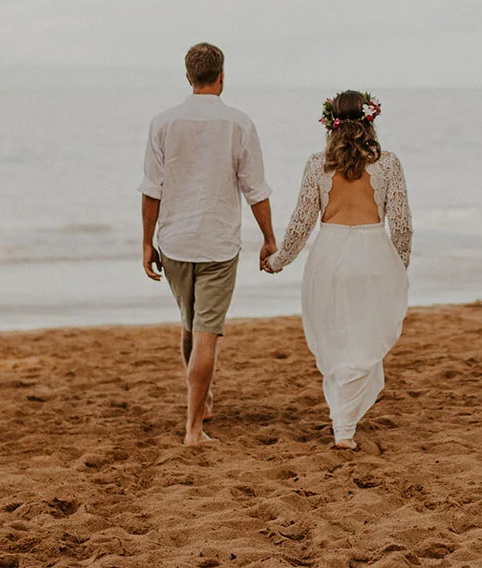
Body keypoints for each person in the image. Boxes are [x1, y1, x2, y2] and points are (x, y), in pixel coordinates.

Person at [139, 42, 275, 446]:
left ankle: (203, 399)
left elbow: (151, 190)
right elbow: (256, 189)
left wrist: (146, 242)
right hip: (217, 244)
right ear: (222, 77)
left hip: (176, 242)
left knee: (190, 324)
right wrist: (269, 238)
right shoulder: (239, 124)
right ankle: (194, 429)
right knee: (205, 334)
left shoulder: (163, 122)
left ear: (187, 77)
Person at [265, 90, 411, 450]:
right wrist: (399, 265)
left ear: (331, 122)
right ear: (370, 119)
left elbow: (301, 223)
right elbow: (403, 225)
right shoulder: (389, 163)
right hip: (373, 254)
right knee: (363, 338)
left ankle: (342, 425)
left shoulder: (318, 164)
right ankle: (344, 424)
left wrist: (278, 259)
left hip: (329, 257)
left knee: (335, 338)